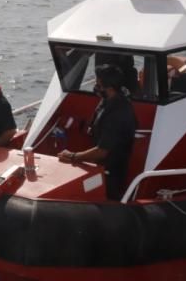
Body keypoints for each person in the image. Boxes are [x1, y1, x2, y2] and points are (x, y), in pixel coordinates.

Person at [57, 64, 137, 200]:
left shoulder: (118, 113)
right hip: (100, 166)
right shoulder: (108, 101)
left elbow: (102, 151)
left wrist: (72, 157)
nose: (96, 87)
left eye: (98, 85)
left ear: (110, 88)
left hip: (110, 172)